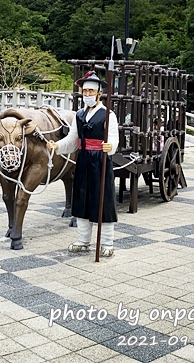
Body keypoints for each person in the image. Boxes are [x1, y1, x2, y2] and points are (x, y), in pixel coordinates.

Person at [47, 71, 119, 257]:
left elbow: (113, 138)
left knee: (103, 200)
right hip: (83, 160)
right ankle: (83, 240)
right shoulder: (79, 115)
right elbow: (72, 140)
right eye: (84, 91)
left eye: (90, 91)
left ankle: (107, 242)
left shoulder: (108, 115)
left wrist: (110, 146)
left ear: (98, 94)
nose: (87, 95)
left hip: (101, 161)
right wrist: (57, 146)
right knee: (82, 199)